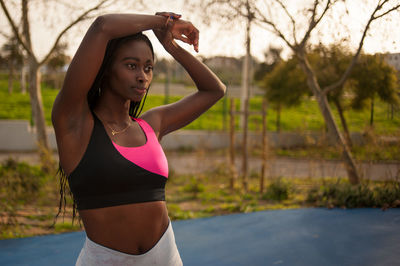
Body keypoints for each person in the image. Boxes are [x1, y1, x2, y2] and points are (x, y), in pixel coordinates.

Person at [51, 11, 225, 265]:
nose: (143, 76)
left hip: (166, 257)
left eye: (148, 67)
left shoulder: (151, 125)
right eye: (131, 65)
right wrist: (163, 23)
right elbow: (102, 26)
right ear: (106, 68)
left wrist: (169, 44)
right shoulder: (75, 124)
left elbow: (214, 90)